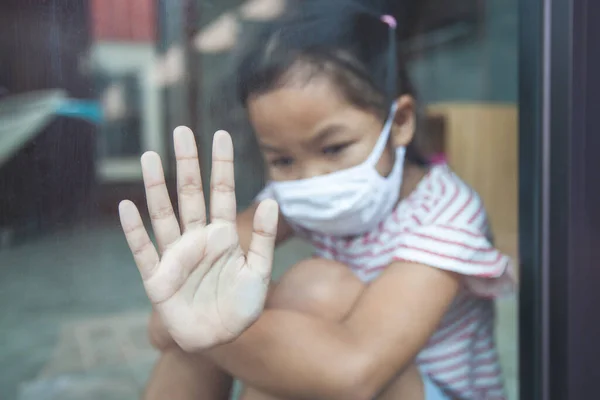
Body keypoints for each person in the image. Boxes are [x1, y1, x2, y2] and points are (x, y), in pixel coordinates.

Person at [118, 0, 515, 398]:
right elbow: (164, 324)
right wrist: (197, 303)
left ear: (400, 123)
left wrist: (209, 327)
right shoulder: (291, 195)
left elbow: (354, 372)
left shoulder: (447, 213)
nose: (311, 176)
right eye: (283, 159)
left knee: (311, 289)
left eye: (334, 148)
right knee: (213, 300)